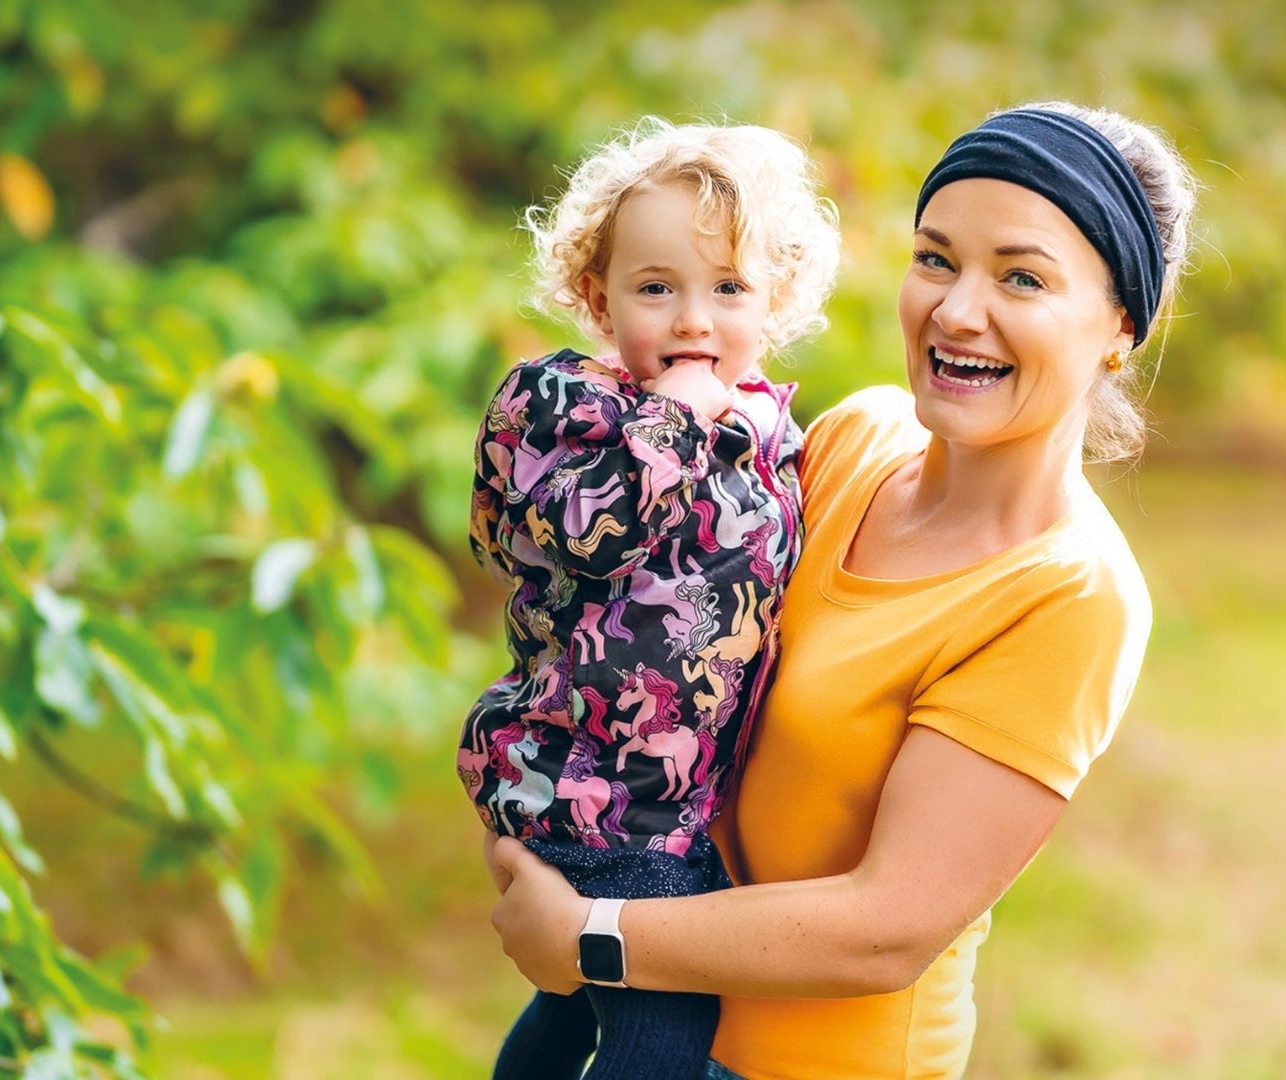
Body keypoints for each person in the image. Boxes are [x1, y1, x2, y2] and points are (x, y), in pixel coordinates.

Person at [485, 102, 1198, 1079]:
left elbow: (884, 929)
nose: (955, 310)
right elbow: (646, 602)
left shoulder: (1070, 596)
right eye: (937, 258)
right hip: (639, 1007)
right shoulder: (855, 437)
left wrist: (583, 938)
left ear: (1120, 324)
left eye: (1021, 277)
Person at [459, 120, 840, 1079]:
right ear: (598, 297)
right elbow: (581, 536)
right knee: (664, 1030)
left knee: (571, 1009)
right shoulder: (569, 409)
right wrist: (669, 421)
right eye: (656, 288)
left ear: (775, 302)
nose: (691, 322)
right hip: (587, 786)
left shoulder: (765, 436)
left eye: (728, 289)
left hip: (669, 800)